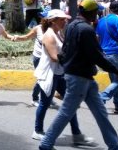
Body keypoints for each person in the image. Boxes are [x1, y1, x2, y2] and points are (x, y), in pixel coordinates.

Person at [39, 0, 118, 150]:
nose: (98, 14)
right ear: (91, 12)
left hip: (84, 77)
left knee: (101, 114)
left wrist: (66, 64)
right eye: (96, 11)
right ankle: (46, 143)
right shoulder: (86, 30)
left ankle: (114, 146)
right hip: (79, 78)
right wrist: (117, 71)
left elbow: (66, 50)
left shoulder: (72, 26)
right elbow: (97, 57)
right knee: (66, 112)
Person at [30, 10, 95, 146]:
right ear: (53, 21)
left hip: (59, 74)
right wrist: (75, 61)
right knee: (45, 103)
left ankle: (77, 135)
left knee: (70, 104)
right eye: (62, 19)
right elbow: (54, 57)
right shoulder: (48, 35)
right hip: (50, 74)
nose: (65, 21)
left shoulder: (58, 33)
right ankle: (37, 130)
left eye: (65, 19)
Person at [14, 21, 48, 107]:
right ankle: (35, 98)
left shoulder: (55, 28)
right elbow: (26, 37)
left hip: (49, 57)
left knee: (49, 78)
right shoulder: (38, 28)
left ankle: (47, 98)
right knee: (41, 78)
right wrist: (18, 38)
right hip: (39, 57)